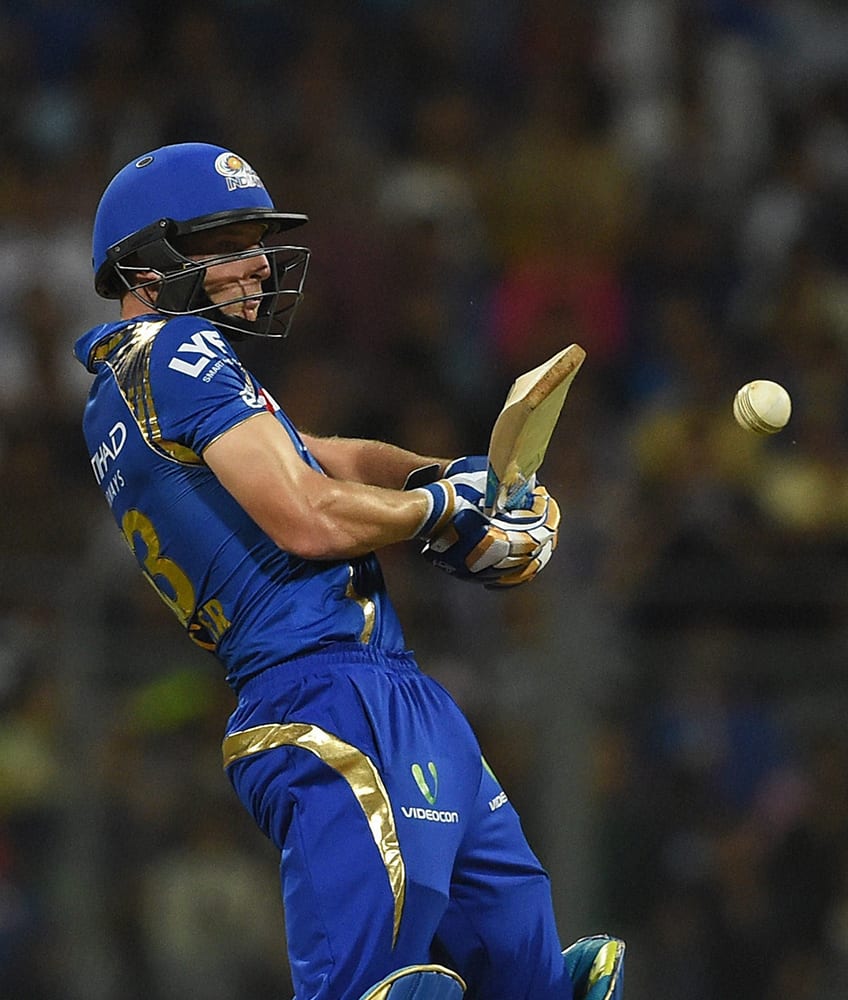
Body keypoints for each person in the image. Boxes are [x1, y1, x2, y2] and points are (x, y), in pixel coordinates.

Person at [74, 142, 625, 1000]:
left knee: (533, 978)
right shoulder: (171, 352)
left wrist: (440, 478)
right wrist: (445, 514)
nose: (259, 261)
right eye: (230, 240)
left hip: (388, 693)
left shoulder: (156, 376)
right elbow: (308, 513)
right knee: (375, 989)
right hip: (324, 701)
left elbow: (328, 455)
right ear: (148, 260)